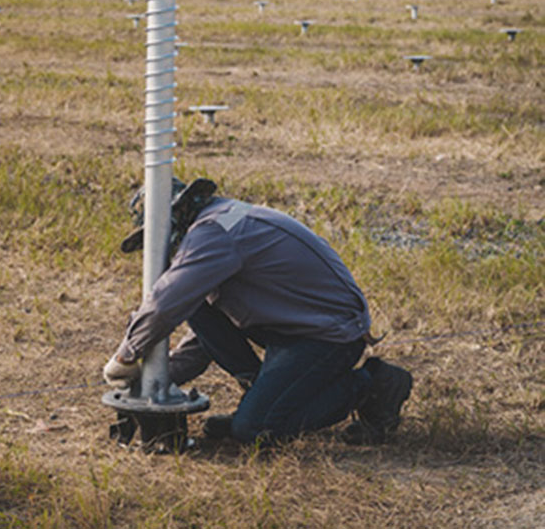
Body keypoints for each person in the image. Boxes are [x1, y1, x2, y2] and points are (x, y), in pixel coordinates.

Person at [103, 178, 412, 446]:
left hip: (328, 335)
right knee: (194, 303)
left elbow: (163, 302)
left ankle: (370, 384)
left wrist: (126, 355)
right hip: (291, 325)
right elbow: (205, 335)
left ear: (172, 222)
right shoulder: (217, 223)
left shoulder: (213, 232)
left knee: (254, 429)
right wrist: (153, 381)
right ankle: (263, 396)